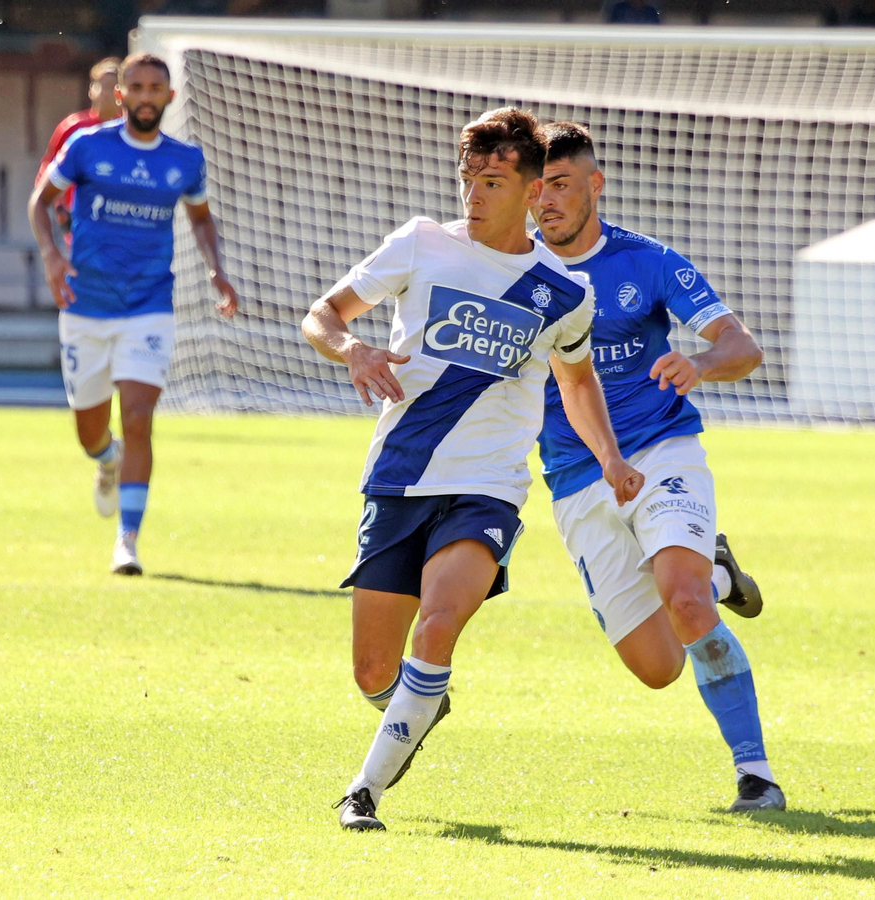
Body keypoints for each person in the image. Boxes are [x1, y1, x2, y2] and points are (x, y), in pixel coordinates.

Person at [302, 108, 644, 832]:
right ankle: (418, 707)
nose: (474, 195)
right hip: (398, 476)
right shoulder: (421, 243)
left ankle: (362, 793)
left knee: (439, 624)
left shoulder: (563, 292)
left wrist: (610, 457)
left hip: (487, 486)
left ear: (529, 189)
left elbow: (577, 382)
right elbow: (324, 314)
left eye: (492, 181)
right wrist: (353, 349)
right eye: (469, 180)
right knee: (372, 671)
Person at [533, 121, 782, 812]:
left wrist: (699, 362)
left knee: (686, 599)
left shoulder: (648, 262)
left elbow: (743, 345)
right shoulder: (518, 271)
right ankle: (718, 568)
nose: (545, 200)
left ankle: (755, 773)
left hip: (661, 448)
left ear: (594, 185)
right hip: (577, 479)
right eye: (536, 188)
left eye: (559, 184)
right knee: (657, 668)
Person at [29, 53, 240, 576]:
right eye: (137, 87)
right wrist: (53, 256)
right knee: (90, 433)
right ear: (119, 95)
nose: (147, 96)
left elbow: (201, 220)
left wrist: (216, 269)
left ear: (170, 97)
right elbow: (40, 202)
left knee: (140, 418)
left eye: (156, 88)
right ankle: (106, 460)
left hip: (149, 305)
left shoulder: (186, 160)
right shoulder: (87, 146)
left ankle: (127, 541)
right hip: (85, 305)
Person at [37, 57, 123, 247]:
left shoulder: (130, 132)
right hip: (80, 220)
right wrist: (59, 207)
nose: (107, 93)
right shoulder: (74, 128)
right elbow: (48, 169)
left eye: (113, 87)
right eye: (103, 86)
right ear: (91, 90)